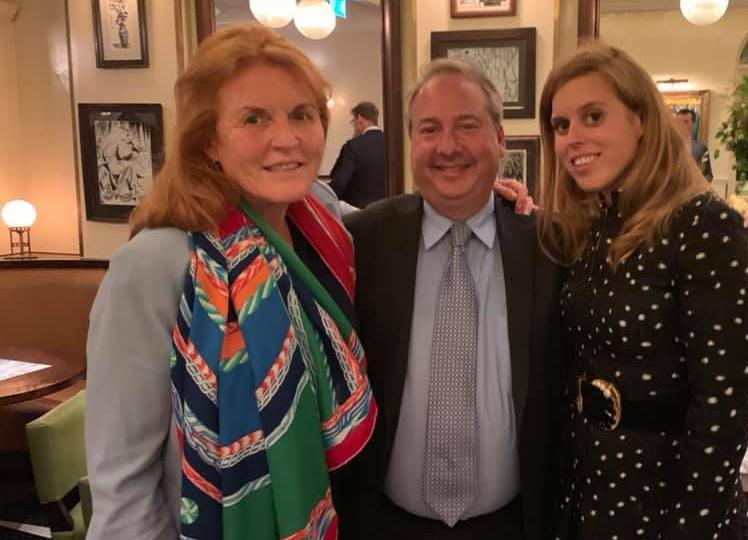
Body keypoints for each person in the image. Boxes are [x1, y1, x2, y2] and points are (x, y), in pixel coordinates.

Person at [84, 24, 376, 539]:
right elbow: (123, 482)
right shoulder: (155, 265)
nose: (285, 139)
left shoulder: (322, 221)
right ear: (209, 142)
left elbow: (402, 222)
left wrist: (494, 201)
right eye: (253, 118)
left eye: (301, 115)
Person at [537, 45, 748, 539]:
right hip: (591, 490)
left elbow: (723, 415)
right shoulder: (589, 229)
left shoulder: (705, 225)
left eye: (593, 116)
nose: (574, 138)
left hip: (671, 498)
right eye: (562, 125)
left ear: (641, 119)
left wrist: (688, 528)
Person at [337, 59, 564, 539]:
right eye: (429, 129)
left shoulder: (549, 248)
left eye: (467, 126)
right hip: (385, 525)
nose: (447, 147)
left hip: (514, 525)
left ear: (500, 140)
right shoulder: (361, 241)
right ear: (411, 142)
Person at [328, 101, 387, 208]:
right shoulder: (392, 145)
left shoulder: (353, 146)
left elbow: (340, 183)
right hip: (388, 212)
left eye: (353, 121)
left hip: (359, 215)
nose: (354, 126)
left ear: (359, 118)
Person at [674, 108, 713, 181]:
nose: (681, 125)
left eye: (685, 122)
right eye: (678, 122)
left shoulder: (701, 148)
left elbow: (708, 175)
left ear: (693, 124)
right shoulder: (667, 147)